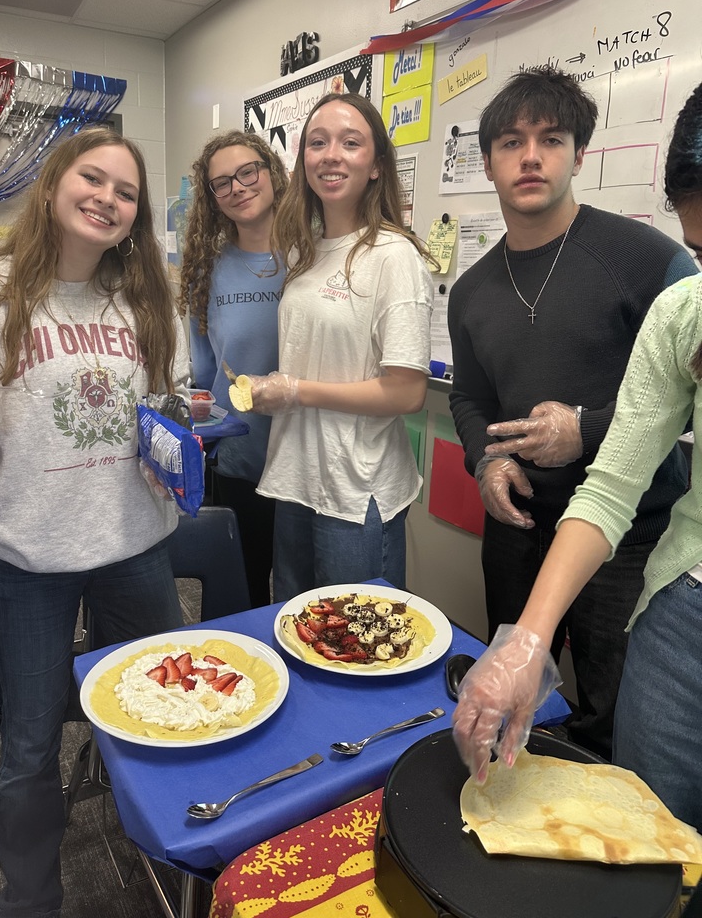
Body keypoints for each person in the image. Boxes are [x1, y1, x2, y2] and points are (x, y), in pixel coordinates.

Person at [0, 126, 191, 917]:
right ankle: (30, 901)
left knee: (160, 713)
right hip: (28, 557)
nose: (107, 199)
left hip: (134, 547)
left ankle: (168, 852)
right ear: (52, 184)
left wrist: (181, 422)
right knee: (28, 747)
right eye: (92, 178)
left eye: (125, 192)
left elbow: (168, 403)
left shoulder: (147, 298)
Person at [452, 81, 702, 832]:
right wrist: (483, 463)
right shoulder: (469, 289)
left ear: (579, 154)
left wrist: (583, 429)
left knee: (608, 712)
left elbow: (671, 410)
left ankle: (592, 836)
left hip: (631, 538)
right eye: (512, 143)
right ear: (488, 164)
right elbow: (468, 399)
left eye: (552, 139)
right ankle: (520, 829)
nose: (532, 158)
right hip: (522, 521)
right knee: (519, 690)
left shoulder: (648, 258)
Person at [241, 92, 434, 601]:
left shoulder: (393, 256)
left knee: (357, 647)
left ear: (375, 166)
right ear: (303, 159)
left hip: (356, 490)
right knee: (294, 630)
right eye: (318, 142)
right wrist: (275, 389)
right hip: (296, 479)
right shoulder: (306, 252)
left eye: (351, 143)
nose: (331, 155)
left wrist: (297, 391)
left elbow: (406, 393)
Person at [178, 131, 288, 607]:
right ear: (212, 198)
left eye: (248, 172)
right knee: (238, 596)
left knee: (304, 597)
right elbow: (204, 376)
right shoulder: (207, 269)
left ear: (272, 174)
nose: (237, 187)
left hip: (310, 459)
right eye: (221, 183)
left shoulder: (313, 258)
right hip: (242, 460)